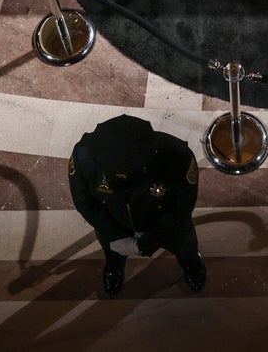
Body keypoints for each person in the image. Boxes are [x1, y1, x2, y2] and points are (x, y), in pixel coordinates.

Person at [68, 114, 207, 296]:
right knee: (113, 252)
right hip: (114, 225)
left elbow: (181, 208)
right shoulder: (83, 157)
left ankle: (191, 264)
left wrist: (147, 242)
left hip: (164, 224)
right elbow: (85, 203)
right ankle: (114, 267)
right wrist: (118, 236)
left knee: (185, 247)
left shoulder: (178, 158)